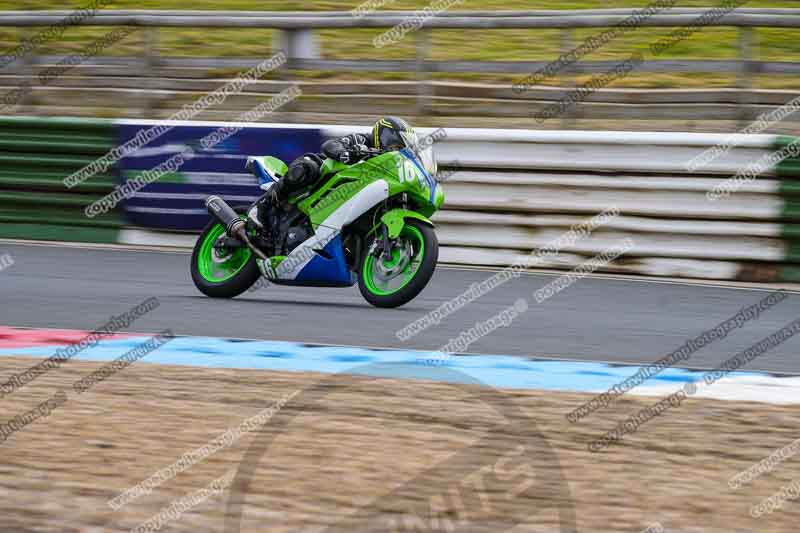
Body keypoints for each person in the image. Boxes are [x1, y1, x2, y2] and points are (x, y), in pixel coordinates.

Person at [265, 116, 415, 206]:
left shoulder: (388, 169)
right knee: (308, 167)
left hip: (342, 200)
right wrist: (345, 154)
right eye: (397, 146)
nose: (398, 152)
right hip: (322, 175)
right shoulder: (363, 140)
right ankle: (267, 202)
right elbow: (329, 145)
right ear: (385, 137)